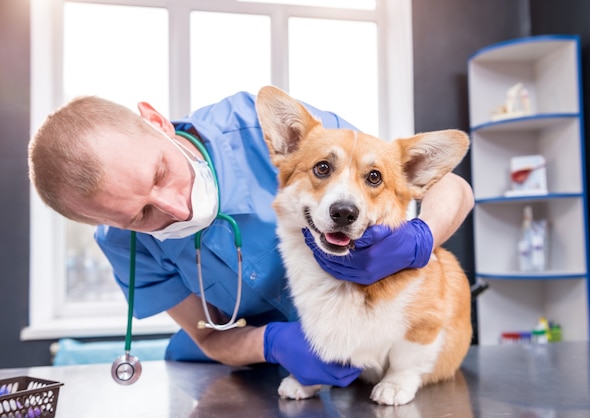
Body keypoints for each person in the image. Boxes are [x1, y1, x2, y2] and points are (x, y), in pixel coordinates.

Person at [28, 91, 474, 388]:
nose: (177, 209)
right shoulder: (124, 245)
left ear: (157, 122)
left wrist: (422, 236)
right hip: (261, 374)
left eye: (161, 173)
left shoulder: (270, 132)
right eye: (142, 215)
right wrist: (272, 343)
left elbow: (447, 187)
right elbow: (208, 337)